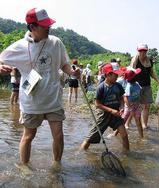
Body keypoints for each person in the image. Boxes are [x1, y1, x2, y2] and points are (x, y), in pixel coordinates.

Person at [0, 8, 80, 173]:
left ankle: (56, 166)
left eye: (48, 24)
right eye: (44, 25)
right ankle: (24, 169)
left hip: (53, 100)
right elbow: (1, 59)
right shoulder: (19, 47)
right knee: (28, 136)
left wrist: (72, 72)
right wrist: (1, 67)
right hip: (32, 102)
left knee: (58, 135)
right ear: (32, 27)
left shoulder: (56, 42)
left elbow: (63, 63)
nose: (48, 28)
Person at [80, 63, 129, 151]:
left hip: (115, 115)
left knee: (124, 135)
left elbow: (121, 98)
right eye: (115, 74)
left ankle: (127, 154)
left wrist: (122, 107)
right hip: (103, 116)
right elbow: (97, 104)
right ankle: (80, 153)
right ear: (108, 75)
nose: (117, 76)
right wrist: (111, 110)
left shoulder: (118, 86)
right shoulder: (101, 87)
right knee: (90, 138)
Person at [130, 43, 159, 129]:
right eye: (141, 51)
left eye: (144, 51)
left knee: (147, 105)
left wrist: (158, 80)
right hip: (136, 86)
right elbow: (130, 73)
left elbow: (151, 72)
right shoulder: (134, 60)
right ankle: (128, 123)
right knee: (135, 106)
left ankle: (144, 124)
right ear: (138, 51)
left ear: (147, 51)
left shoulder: (149, 61)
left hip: (147, 86)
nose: (143, 53)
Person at [122, 68, 143, 138]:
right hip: (129, 105)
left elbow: (140, 93)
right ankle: (115, 133)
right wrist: (130, 109)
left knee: (138, 122)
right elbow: (125, 98)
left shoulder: (137, 84)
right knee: (123, 121)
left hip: (137, 105)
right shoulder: (129, 86)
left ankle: (141, 137)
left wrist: (140, 102)